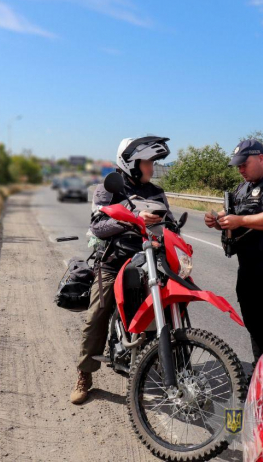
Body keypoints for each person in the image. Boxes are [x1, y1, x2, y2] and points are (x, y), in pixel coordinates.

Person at [71, 136, 173, 405]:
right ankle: (84, 374)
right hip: (113, 260)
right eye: (147, 162)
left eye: (152, 162)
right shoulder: (108, 189)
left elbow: (172, 224)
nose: (151, 167)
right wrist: (133, 219)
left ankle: (174, 366)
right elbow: (98, 226)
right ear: (131, 163)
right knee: (98, 312)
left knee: (170, 304)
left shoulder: (156, 192)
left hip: (150, 260)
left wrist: (169, 227)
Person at [204, 139, 263, 364]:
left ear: (261, 158)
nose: (240, 170)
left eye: (244, 164)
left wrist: (240, 219)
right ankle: (260, 371)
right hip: (248, 269)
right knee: (255, 327)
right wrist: (217, 219)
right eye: (238, 166)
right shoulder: (243, 187)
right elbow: (231, 214)